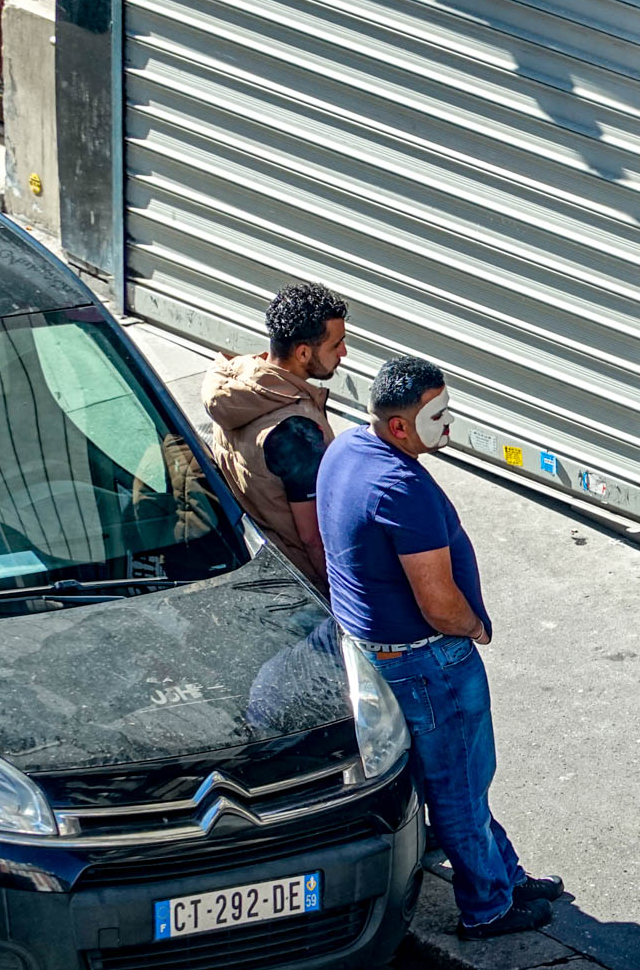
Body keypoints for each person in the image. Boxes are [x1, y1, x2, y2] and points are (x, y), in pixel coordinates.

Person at [316, 356, 562, 940]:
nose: (449, 424)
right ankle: (488, 907)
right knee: (460, 786)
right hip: (430, 662)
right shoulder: (402, 488)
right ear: (400, 426)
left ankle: (505, 874)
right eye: (437, 416)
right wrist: (474, 627)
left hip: (381, 655)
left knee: (457, 780)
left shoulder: (345, 449)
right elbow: (438, 602)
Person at [202, 283, 347, 590]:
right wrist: (342, 596)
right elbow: (314, 539)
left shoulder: (238, 378)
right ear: (303, 352)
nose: (344, 353)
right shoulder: (296, 432)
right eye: (336, 345)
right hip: (301, 578)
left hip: (258, 554)